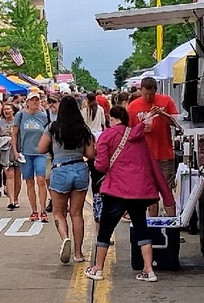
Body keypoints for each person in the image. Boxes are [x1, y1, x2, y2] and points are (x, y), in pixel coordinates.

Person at [87, 105, 176, 282]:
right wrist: (166, 196)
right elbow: (150, 164)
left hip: (116, 190)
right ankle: (149, 270)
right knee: (141, 228)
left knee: (105, 229)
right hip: (139, 191)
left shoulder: (107, 135)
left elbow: (101, 165)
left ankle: (98, 268)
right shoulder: (138, 136)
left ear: (111, 119)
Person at [38, 97, 95, 264]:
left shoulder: (53, 128)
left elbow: (41, 148)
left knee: (59, 212)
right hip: (79, 168)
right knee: (76, 214)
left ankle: (65, 239)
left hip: (60, 170)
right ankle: (78, 253)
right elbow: (90, 154)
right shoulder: (84, 129)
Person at [127, 76, 179, 213]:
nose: (148, 97)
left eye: (151, 94)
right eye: (145, 94)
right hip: (144, 155)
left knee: (167, 190)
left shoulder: (166, 101)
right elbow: (129, 131)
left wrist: (162, 114)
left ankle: (171, 226)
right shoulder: (133, 106)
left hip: (164, 153)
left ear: (156, 90)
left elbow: (176, 123)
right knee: (151, 193)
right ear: (140, 91)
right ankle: (153, 226)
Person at [12, 91, 51, 222]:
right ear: (27, 102)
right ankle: (34, 210)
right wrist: (15, 151)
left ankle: (43, 210)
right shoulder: (21, 115)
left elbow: (48, 132)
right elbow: (15, 134)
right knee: (29, 182)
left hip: (40, 153)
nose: (35, 102)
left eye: (37, 100)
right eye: (32, 100)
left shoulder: (43, 115)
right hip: (25, 153)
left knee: (41, 180)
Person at [0, 103, 22, 209]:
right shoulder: (0, 123)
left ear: (13, 110)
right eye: (4, 110)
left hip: (18, 150)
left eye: (8, 109)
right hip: (6, 152)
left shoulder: (18, 122)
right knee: (9, 175)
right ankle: (11, 200)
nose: (6, 111)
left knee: (17, 176)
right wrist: (6, 139)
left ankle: (16, 198)